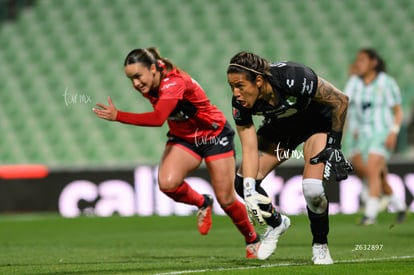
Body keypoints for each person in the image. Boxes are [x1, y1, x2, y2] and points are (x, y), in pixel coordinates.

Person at [92, 47, 276, 259]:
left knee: (226, 199)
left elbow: (158, 118)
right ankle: (202, 202)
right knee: (167, 183)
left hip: (213, 134)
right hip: (184, 137)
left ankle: (252, 240)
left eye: (137, 76)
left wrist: (118, 116)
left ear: (153, 69)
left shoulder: (173, 82)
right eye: (130, 79)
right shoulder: (154, 79)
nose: (135, 83)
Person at [227, 51, 352, 265]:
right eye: (232, 87)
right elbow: (249, 148)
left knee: (313, 189)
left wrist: (334, 145)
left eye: (240, 86)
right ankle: (277, 224)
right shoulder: (241, 104)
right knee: (242, 181)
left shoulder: (294, 77)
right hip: (282, 132)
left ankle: (320, 245)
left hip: (317, 126)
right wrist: (249, 190)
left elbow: (341, 100)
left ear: (258, 80)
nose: (236, 93)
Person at [344, 48, 407, 225]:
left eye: (363, 60)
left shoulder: (387, 82)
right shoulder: (354, 82)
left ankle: (370, 214)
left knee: (372, 168)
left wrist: (394, 131)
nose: (359, 63)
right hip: (358, 135)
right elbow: (345, 104)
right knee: (373, 174)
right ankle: (399, 205)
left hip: (381, 132)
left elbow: (398, 110)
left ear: (373, 62)